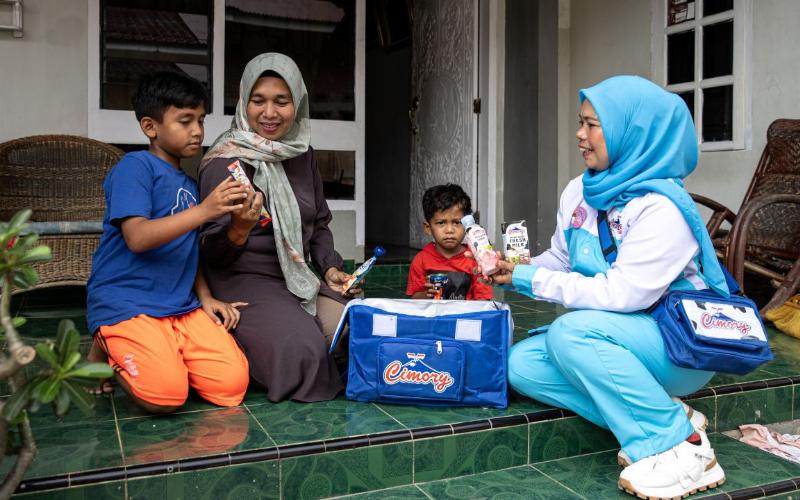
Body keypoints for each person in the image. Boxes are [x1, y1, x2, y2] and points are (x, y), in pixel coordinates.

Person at [488, 75, 728, 498]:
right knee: (520, 366)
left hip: (679, 345)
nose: (580, 135)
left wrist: (530, 278)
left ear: (629, 133)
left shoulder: (662, 208)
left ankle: (682, 449)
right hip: (617, 337)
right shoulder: (580, 190)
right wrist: (512, 268)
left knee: (570, 332)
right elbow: (563, 258)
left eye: (592, 125)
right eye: (581, 122)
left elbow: (623, 295)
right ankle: (664, 413)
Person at [86, 71, 250, 413]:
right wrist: (205, 211)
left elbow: (186, 250)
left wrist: (205, 298)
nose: (197, 131)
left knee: (231, 387)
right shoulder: (134, 167)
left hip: (179, 307)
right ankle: (105, 345)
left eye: (201, 120)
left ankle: (163, 352)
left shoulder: (189, 185)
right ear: (151, 127)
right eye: (185, 121)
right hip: (128, 301)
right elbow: (137, 237)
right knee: (164, 397)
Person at [198, 53, 356, 403]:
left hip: (297, 277)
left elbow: (318, 224)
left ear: (297, 103)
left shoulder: (303, 154)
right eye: (258, 101)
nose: (269, 113)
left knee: (362, 329)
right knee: (303, 353)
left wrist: (330, 267)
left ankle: (280, 340)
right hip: (244, 278)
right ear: (244, 101)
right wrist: (238, 230)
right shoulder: (225, 160)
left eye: (281, 102)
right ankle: (247, 346)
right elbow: (208, 252)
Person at [407, 184, 493, 300]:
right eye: (441, 223)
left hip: (465, 317)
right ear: (428, 228)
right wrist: (427, 294)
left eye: (457, 222)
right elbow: (414, 299)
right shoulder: (421, 260)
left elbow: (483, 301)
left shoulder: (475, 259)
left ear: (467, 225)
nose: (449, 230)